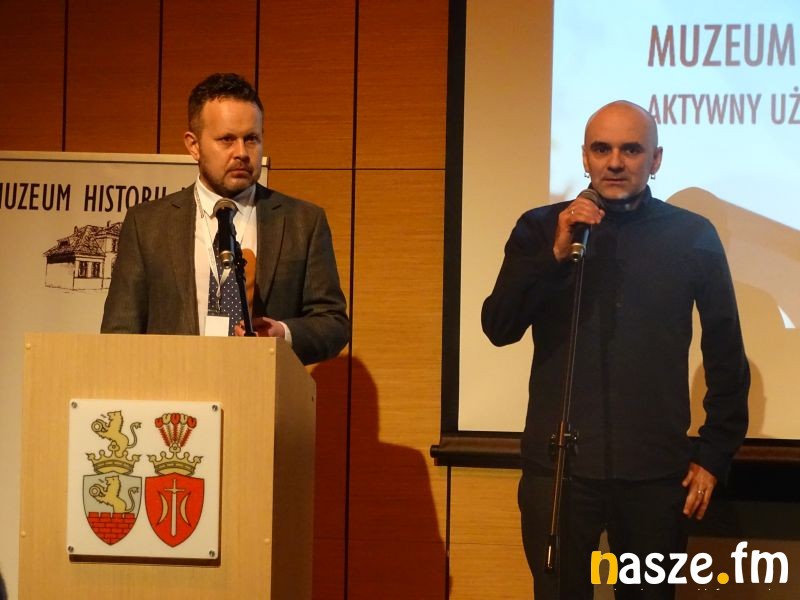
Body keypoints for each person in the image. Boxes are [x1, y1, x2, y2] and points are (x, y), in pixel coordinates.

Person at [482, 100, 749, 599]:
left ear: (656, 159)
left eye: (632, 149)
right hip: (559, 470)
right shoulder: (542, 228)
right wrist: (554, 254)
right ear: (584, 156)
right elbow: (499, 326)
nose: (615, 162)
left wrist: (714, 454)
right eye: (601, 149)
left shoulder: (692, 235)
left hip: (655, 475)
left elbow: (726, 352)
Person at [102, 73, 349, 365]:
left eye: (251, 139)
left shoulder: (302, 222)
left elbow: (333, 323)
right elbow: (119, 332)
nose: (242, 153)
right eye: (227, 139)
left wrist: (283, 334)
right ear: (193, 145)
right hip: (173, 388)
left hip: (260, 386)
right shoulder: (147, 224)